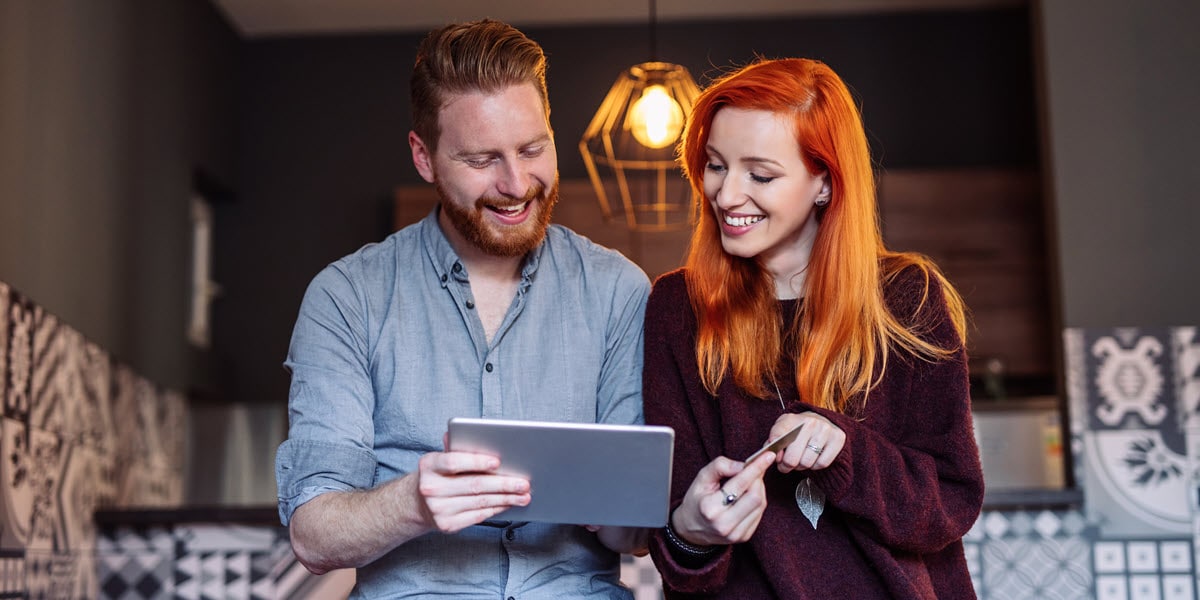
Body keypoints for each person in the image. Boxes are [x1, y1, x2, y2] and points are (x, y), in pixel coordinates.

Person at [274, 19, 651, 598]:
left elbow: (634, 535)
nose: (517, 182)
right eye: (481, 160)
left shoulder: (618, 291)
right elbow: (314, 537)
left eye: (532, 149)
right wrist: (413, 503)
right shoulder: (346, 297)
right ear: (424, 158)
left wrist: (634, 508)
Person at [643, 57, 985, 598]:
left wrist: (845, 449)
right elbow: (673, 545)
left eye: (760, 174)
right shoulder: (675, 309)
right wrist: (691, 531)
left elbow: (948, 504)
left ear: (823, 182)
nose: (727, 195)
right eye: (714, 165)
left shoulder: (907, 297)